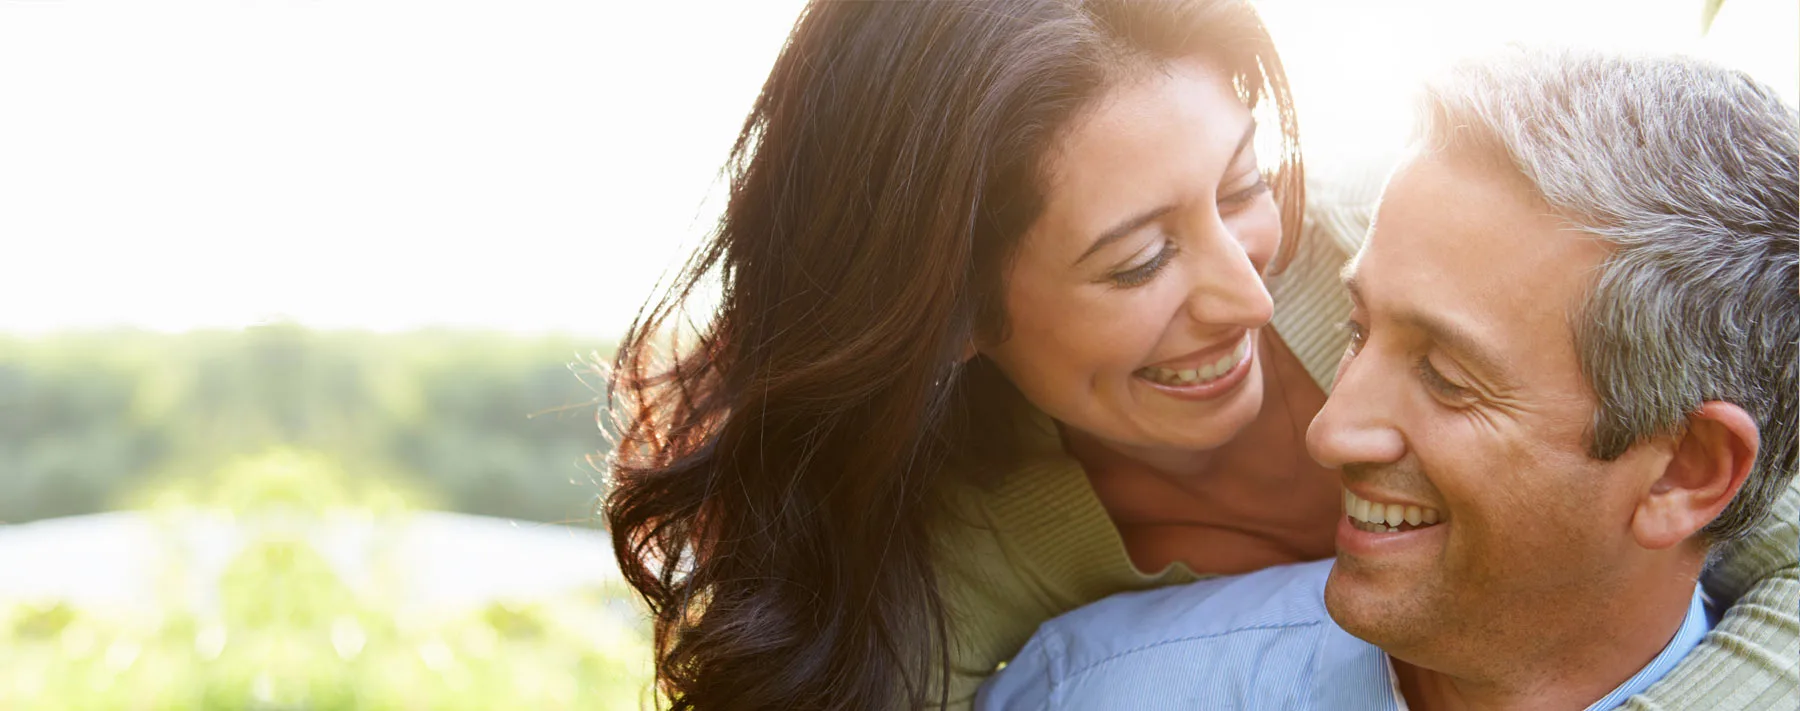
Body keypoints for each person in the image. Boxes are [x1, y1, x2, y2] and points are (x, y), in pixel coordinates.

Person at [601, 1, 1800, 708]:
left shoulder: (1427, 242)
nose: (1245, 290)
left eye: (1240, 186)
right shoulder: (965, 545)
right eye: (1135, 263)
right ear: (954, 312)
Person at [975, 48, 1799, 710]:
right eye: (1354, 330)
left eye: (1445, 375)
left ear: (1686, 469)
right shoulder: (1085, 686)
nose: (1327, 434)